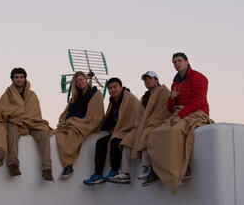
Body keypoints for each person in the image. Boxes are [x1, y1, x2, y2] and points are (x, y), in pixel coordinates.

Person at [143, 53, 213, 192]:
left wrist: (181, 115)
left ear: (187, 62)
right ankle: (157, 170)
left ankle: (183, 169)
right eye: (174, 62)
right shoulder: (175, 83)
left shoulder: (199, 77)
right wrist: (172, 98)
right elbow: (170, 109)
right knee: (155, 133)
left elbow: (199, 100)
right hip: (179, 114)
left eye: (179, 60)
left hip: (197, 113)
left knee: (175, 131)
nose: (177, 64)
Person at [84, 78, 143, 185]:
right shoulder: (113, 102)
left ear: (121, 87)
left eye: (115, 87)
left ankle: (115, 170)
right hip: (120, 130)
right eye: (110, 88)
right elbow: (109, 120)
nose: (112, 90)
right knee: (100, 143)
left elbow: (136, 118)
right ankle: (98, 174)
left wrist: (121, 128)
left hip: (133, 130)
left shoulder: (129, 98)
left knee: (115, 140)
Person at [114, 71, 170, 183]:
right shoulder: (145, 96)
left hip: (157, 123)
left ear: (156, 80)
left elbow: (162, 111)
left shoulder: (163, 92)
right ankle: (125, 172)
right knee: (127, 139)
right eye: (145, 79)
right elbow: (141, 115)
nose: (147, 81)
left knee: (146, 133)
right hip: (144, 124)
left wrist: (149, 123)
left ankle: (147, 167)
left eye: (149, 78)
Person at [0, 67, 53, 180]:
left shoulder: (32, 95)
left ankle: (47, 169)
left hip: (32, 122)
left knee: (44, 135)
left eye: (21, 77)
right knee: (12, 133)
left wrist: (24, 115)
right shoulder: (7, 95)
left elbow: (35, 112)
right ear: (12, 79)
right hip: (14, 122)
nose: (19, 79)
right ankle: (13, 164)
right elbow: (4, 111)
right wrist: (19, 114)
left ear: (25, 78)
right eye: (16, 77)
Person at [55, 71, 104, 179]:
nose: (79, 83)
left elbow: (96, 114)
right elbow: (66, 113)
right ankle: (68, 164)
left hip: (85, 122)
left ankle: (68, 165)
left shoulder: (95, 93)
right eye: (77, 82)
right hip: (73, 122)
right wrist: (65, 122)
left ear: (86, 80)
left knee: (73, 133)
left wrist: (77, 122)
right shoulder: (75, 97)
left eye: (81, 80)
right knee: (59, 134)